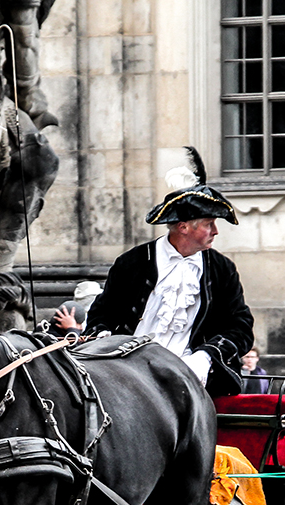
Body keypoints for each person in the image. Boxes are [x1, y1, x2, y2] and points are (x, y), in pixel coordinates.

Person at [84, 147, 254, 396]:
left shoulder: (221, 269)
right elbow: (102, 313)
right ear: (184, 227)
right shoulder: (132, 262)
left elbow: (240, 326)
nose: (216, 232)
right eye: (209, 224)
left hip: (191, 374)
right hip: (126, 371)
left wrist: (206, 356)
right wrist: (103, 336)